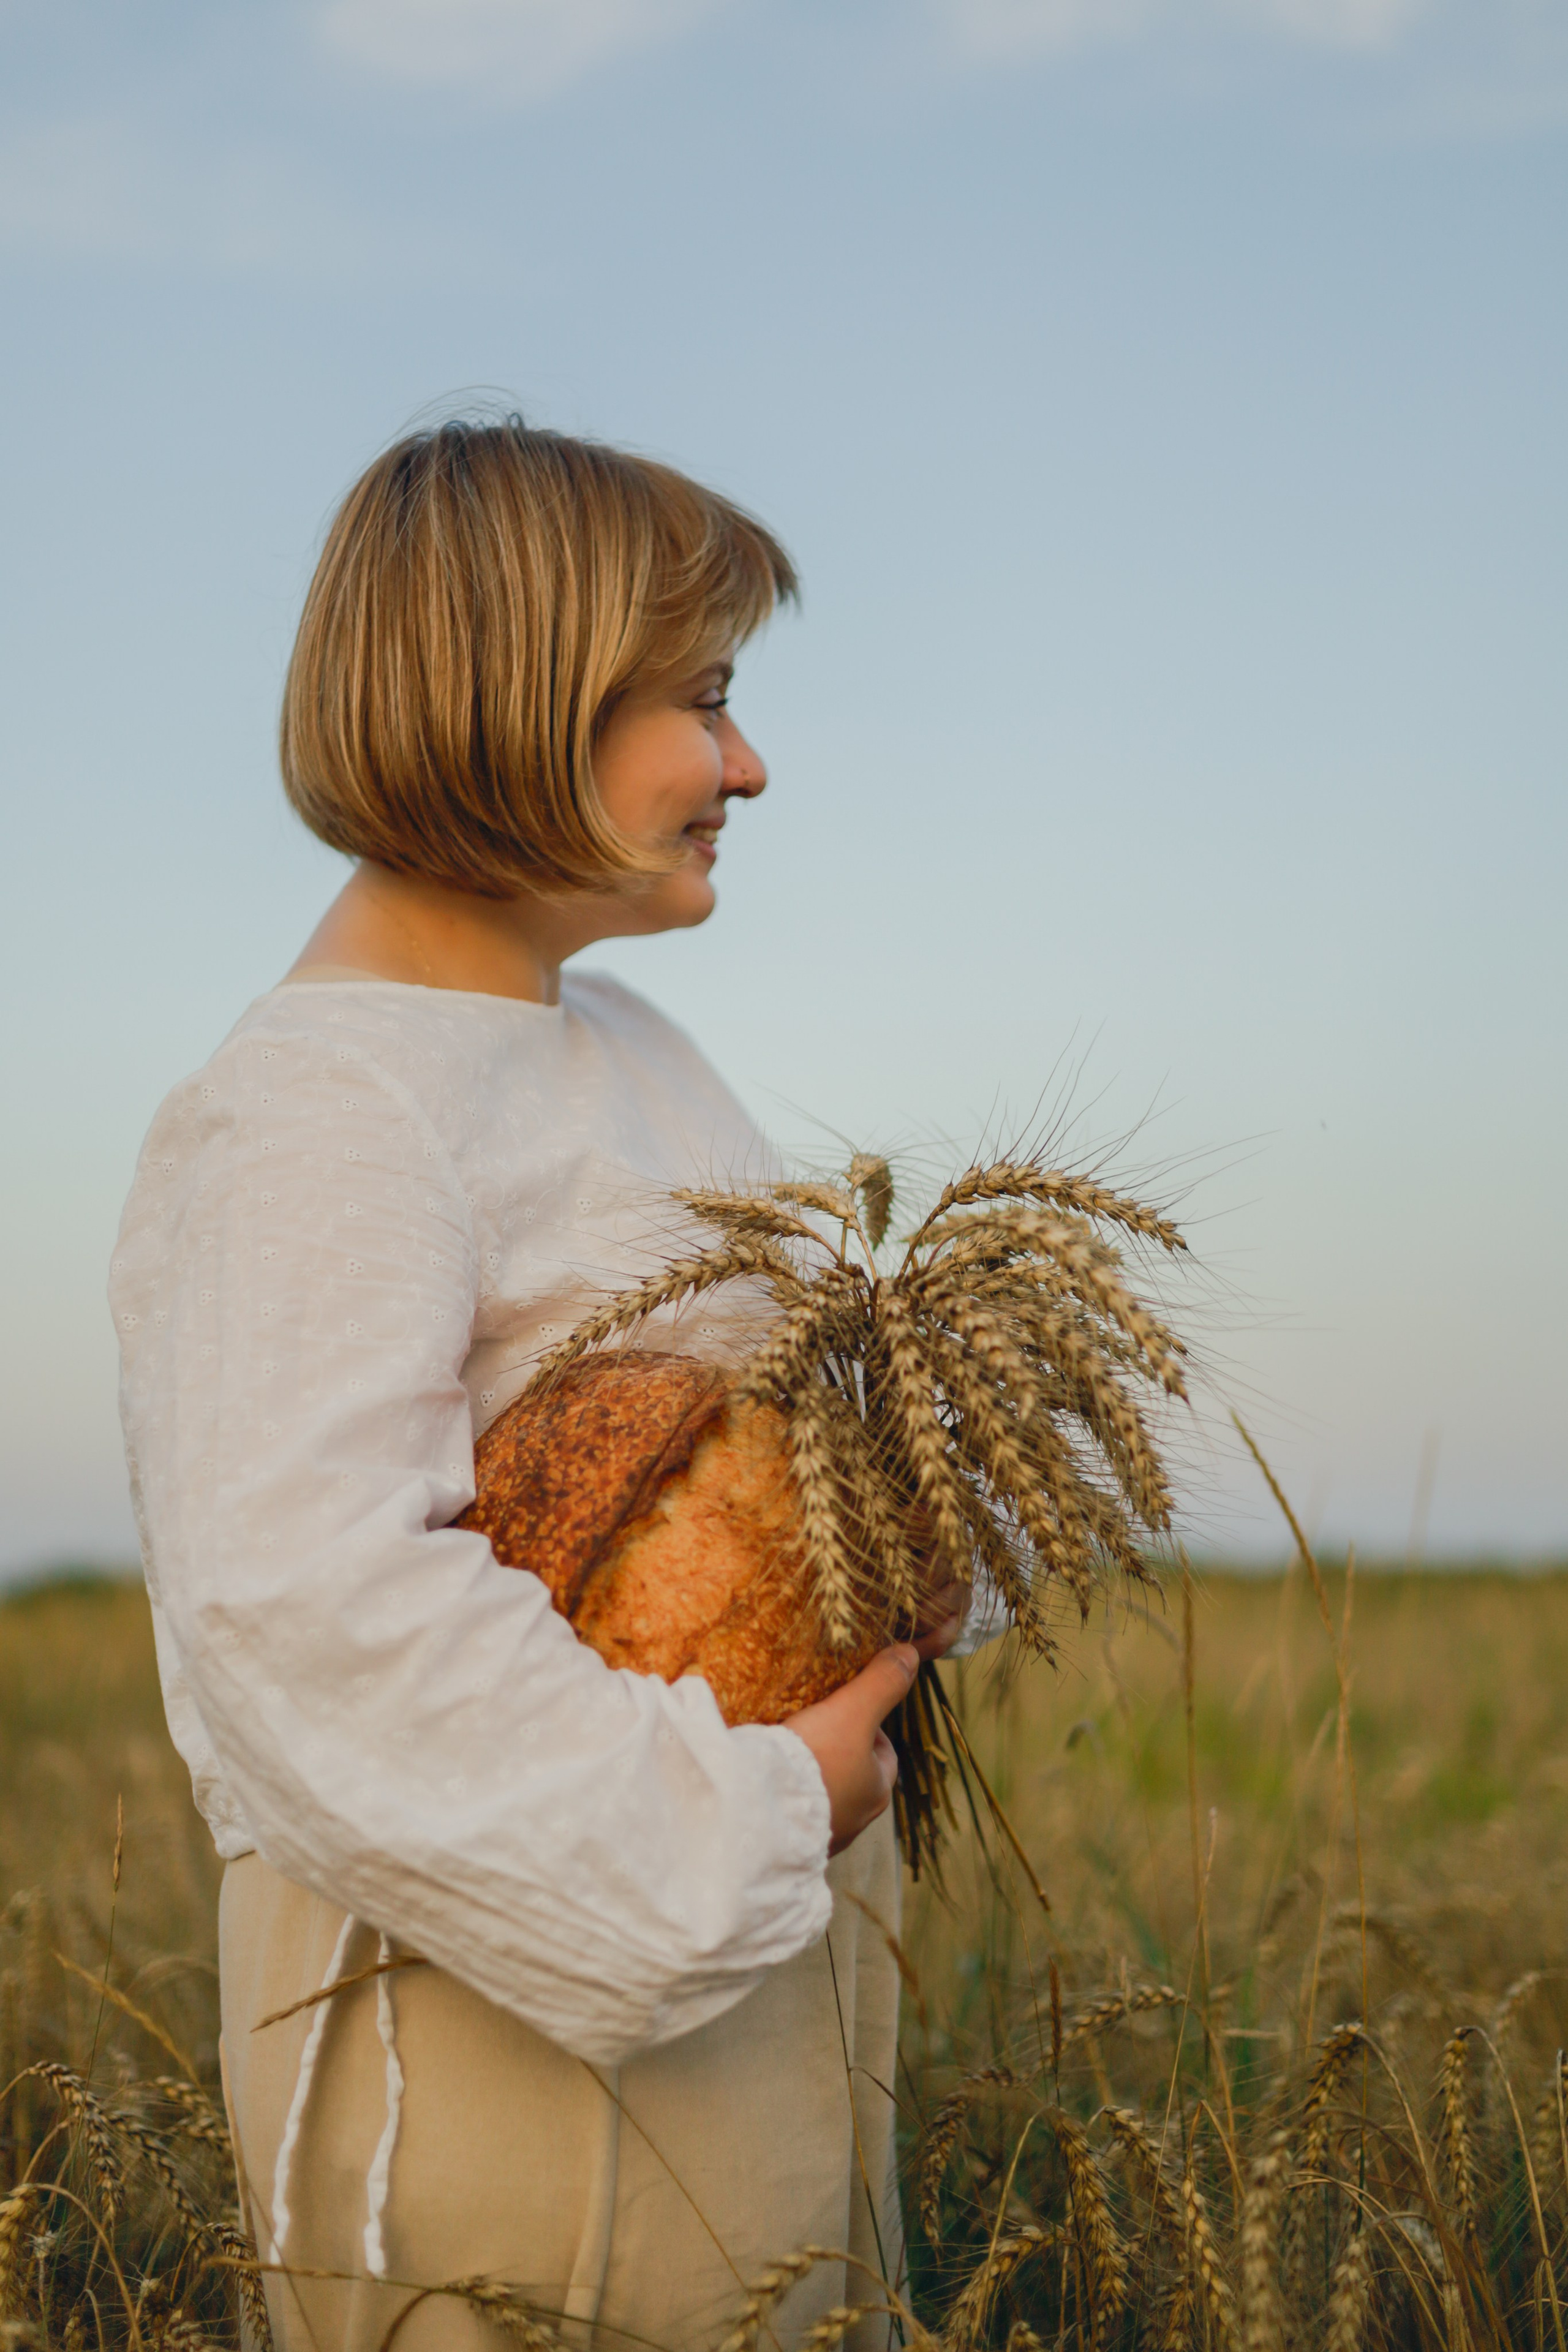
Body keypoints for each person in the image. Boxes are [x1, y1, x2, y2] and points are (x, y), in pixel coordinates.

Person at [111, 418, 968, 2351]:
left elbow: (784, 1437)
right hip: (486, 2031)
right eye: (709, 702)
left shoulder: (637, 1045)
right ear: (522, 697)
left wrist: (902, 1550)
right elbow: (303, 1614)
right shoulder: (319, 1113)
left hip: (762, 1979)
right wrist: (744, 1827)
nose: (749, 765)